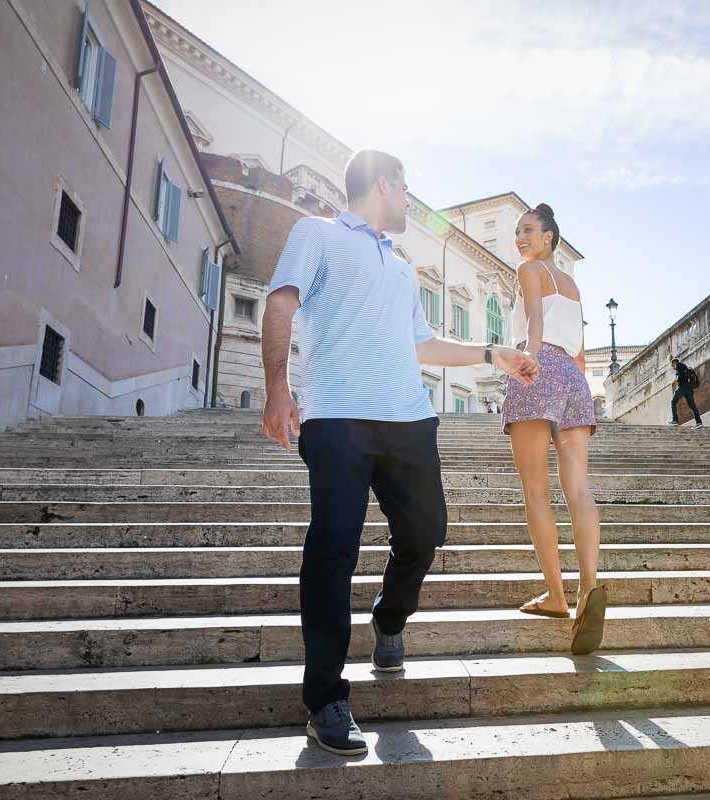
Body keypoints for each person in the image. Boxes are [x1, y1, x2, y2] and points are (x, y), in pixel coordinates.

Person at [260, 150, 539, 757]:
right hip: (336, 415)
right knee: (333, 549)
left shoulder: (403, 266)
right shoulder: (319, 235)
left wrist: (494, 356)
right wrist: (278, 387)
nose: (410, 198)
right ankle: (326, 699)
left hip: (407, 418)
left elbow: (424, 345)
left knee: (426, 532)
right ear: (382, 184)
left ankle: (388, 618)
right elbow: (281, 302)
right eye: (406, 186)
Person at [502, 203, 607, 656]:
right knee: (578, 487)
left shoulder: (531, 271)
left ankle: (557, 596)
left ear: (548, 237)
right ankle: (589, 588)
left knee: (537, 492)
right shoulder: (573, 284)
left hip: (540, 367)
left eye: (527, 230)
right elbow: (581, 349)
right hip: (574, 378)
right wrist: (578, 384)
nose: (520, 238)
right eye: (517, 232)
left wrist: (528, 358)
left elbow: (534, 323)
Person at [669, 355, 703, 428]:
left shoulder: (679, 366)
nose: (673, 367)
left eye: (672, 366)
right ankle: (699, 422)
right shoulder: (686, 367)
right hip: (689, 389)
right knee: (692, 406)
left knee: (673, 401)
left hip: (683, 388)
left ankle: (675, 419)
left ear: (674, 363)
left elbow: (679, 378)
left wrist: (675, 382)